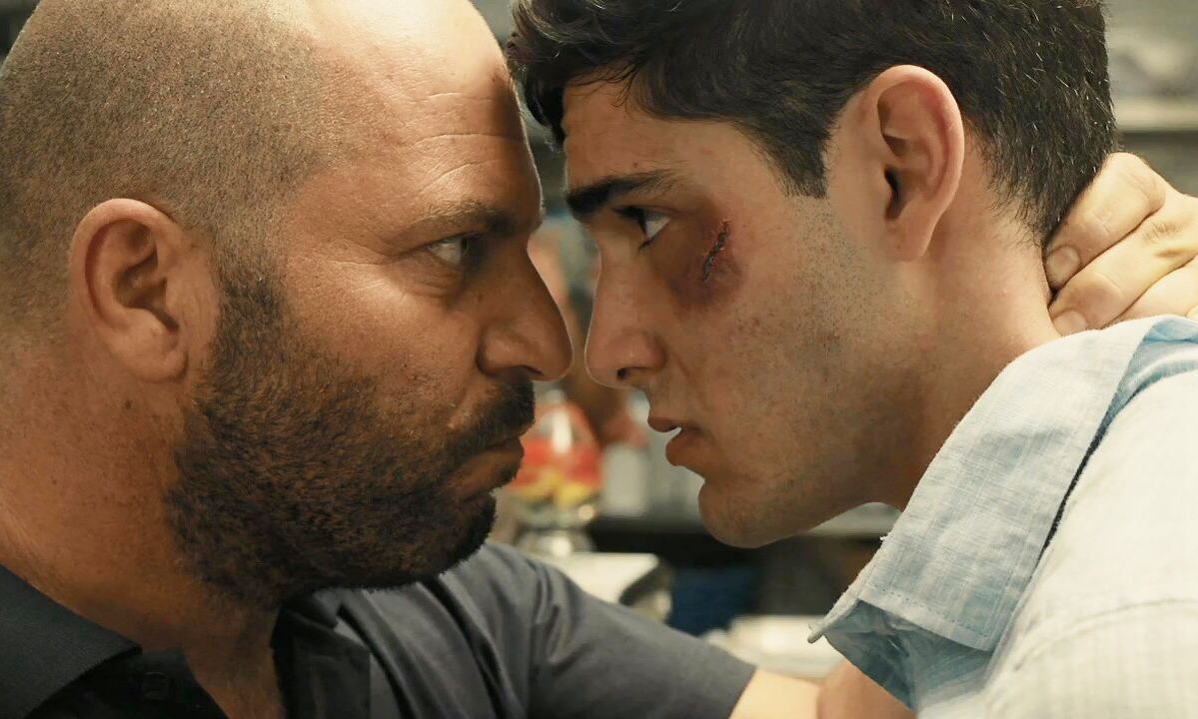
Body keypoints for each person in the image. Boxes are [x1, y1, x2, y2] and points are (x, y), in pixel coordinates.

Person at [0, 1, 1194, 718]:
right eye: (453, 249)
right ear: (144, 288)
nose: (551, 340)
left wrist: (1051, 314)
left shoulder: (434, 618)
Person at [508, 0, 1198, 715]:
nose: (607, 353)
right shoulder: (1036, 602)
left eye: (650, 222)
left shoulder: (1114, 652)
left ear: (901, 166)